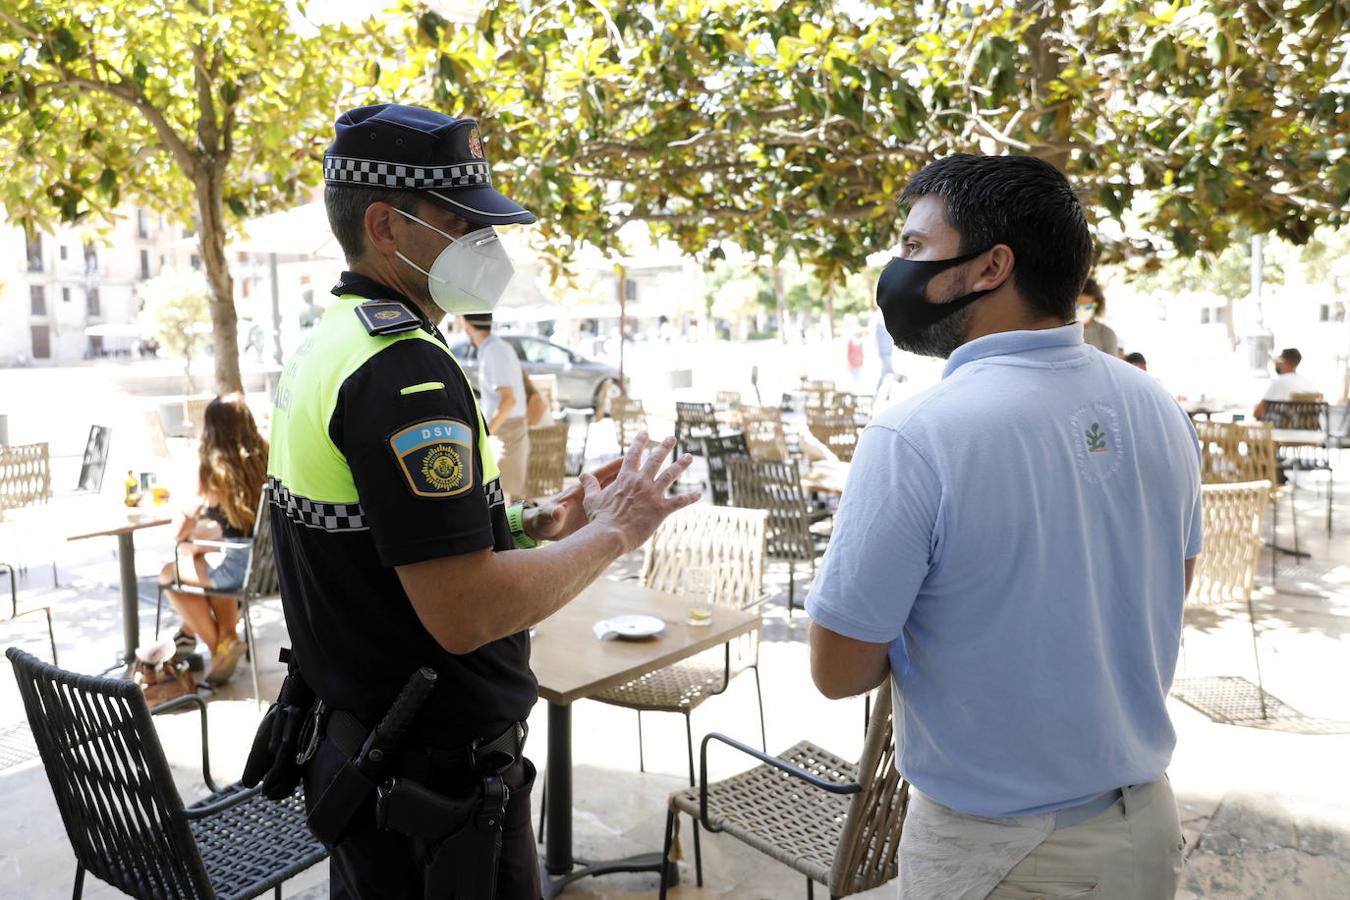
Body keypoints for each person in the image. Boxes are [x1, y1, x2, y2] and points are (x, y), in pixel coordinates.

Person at [265, 102, 697, 899]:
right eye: (461, 220)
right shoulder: (406, 372)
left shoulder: (334, 342)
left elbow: (384, 543)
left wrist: (538, 526)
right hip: (433, 797)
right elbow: (464, 612)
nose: (484, 243)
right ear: (388, 226)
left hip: (372, 763)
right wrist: (616, 532)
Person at [805, 154, 1201, 899]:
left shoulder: (917, 435)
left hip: (1002, 859)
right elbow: (1167, 594)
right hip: (1146, 832)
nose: (898, 269)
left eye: (916, 248)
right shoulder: (1159, 408)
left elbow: (839, 670)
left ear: (991, 267)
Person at [158, 393, 268, 685]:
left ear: (212, 430)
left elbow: (178, 532)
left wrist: (184, 509)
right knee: (199, 556)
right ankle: (227, 637)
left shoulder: (212, 470)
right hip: (272, 570)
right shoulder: (266, 458)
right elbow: (241, 526)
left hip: (238, 572)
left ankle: (218, 647)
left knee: (169, 573)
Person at [461, 313, 530, 498]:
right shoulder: (493, 348)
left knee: (506, 499)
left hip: (506, 430)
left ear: (467, 325)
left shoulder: (494, 351)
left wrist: (484, 432)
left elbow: (508, 401)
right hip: (506, 427)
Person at [1255, 347, 1320, 420]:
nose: (1276, 363)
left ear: (1285, 362)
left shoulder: (1279, 382)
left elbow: (1258, 413)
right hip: (1310, 429)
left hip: (1283, 429)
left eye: (1279, 359)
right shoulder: (1308, 382)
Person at [1076, 276, 1119, 356]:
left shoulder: (1106, 334)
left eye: (1087, 307)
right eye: (1077, 306)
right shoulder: (1059, 330)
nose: (1081, 311)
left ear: (1097, 305)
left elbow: (1112, 367)